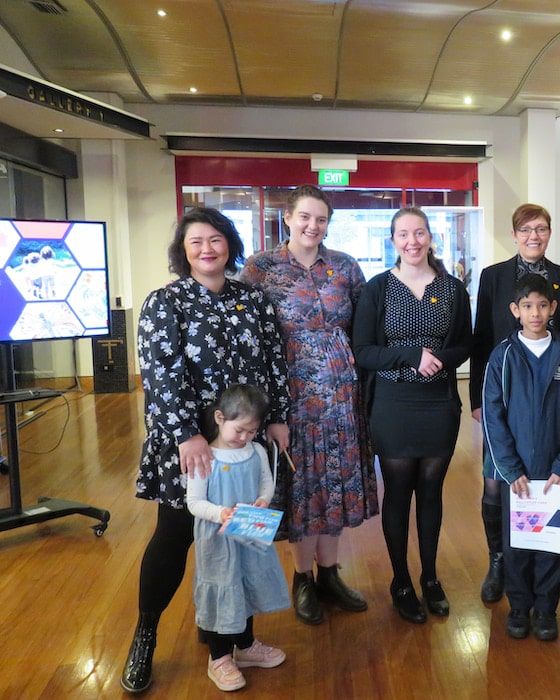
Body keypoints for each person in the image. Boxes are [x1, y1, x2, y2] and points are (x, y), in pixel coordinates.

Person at [122, 207, 290, 694]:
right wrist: (187, 435)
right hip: (190, 446)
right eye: (196, 242)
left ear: (229, 244)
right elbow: (160, 376)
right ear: (183, 250)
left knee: (242, 539)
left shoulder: (252, 301)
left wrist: (276, 418)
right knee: (175, 538)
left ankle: (237, 639)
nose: (207, 249)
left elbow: (274, 363)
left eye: (215, 239)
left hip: (244, 443)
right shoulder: (164, 303)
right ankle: (145, 636)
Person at [241, 185, 378, 626]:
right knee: (303, 487)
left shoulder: (344, 266)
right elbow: (246, 330)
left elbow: (365, 326)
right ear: (288, 217)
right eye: (304, 217)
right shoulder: (261, 268)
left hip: (341, 396)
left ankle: (330, 575)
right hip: (291, 396)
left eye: (320, 219)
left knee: (334, 483)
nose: (312, 226)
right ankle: (302, 577)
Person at [353, 207, 473, 624]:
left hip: (438, 403)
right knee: (399, 490)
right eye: (403, 234)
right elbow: (363, 351)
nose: (412, 241)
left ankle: (431, 577)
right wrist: (411, 355)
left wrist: (438, 358)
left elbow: (464, 345)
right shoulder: (378, 289)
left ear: (429, 237)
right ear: (393, 240)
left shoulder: (453, 289)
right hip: (392, 402)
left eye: (419, 233)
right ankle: (401, 580)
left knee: (432, 489)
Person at [469, 203, 560, 604]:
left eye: (541, 228)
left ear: (550, 233)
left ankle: (544, 561)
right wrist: (476, 400)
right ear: (514, 234)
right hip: (504, 398)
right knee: (496, 485)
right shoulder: (493, 277)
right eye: (525, 229)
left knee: (546, 482)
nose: (534, 235)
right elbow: (482, 337)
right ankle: (499, 559)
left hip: (552, 398)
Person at [481, 274, 560, 642]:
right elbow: (493, 417)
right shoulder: (503, 356)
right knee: (518, 544)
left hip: (552, 472)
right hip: (518, 474)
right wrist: (509, 468)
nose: (536, 312)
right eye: (527, 306)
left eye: (542, 305)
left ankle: (545, 608)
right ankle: (519, 605)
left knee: (551, 542)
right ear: (515, 310)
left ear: (553, 308)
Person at [187, 384, 289, 692]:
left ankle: (244, 646)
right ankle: (218, 657)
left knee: (245, 587)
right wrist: (220, 514)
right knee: (221, 591)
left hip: (249, 536)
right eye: (240, 430)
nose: (245, 437)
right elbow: (194, 502)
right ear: (220, 418)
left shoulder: (256, 451)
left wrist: (262, 501)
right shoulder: (206, 456)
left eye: (252, 430)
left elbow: (266, 483)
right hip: (218, 541)